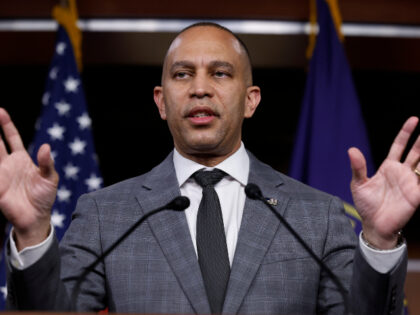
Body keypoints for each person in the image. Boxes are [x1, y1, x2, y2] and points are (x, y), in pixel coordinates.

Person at [0, 22, 419, 314]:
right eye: (183, 75)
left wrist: (381, 240)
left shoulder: (318, 215)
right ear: (161, 102)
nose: (200, 87)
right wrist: (33, 234)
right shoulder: (106, 214)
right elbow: (50, 313)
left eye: (220, 73)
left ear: (251, 100)